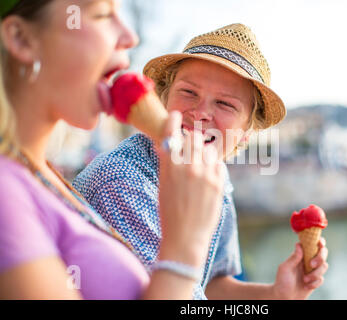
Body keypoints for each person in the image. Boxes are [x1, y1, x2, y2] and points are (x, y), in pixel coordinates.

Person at [73, 23, 329, 300]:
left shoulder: (214, 174)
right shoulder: (123, 182)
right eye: (188, 92)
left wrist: (278, 295)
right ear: (164, 99)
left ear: (245, 133)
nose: (200, 112)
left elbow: (209, 284)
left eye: (225, 104)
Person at [0, 0, 225, 300]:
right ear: (21, 38)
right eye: (102, 13)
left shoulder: (40, 174)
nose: (130, 37)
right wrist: (183, 251)